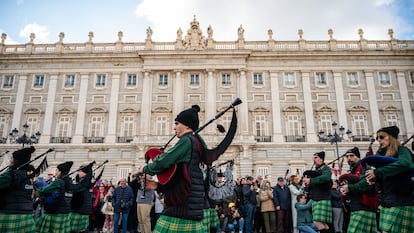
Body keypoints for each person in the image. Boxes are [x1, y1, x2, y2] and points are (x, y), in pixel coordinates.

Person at [136, 105, 213, 232]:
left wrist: (146, 168)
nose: (174, 127)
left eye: (177, 123)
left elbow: (164, 161)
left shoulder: (187, 141)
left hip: (181, 207)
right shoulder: (198, 142)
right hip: (192, 205)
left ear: (187, 125)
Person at [365, 126, 414, 233]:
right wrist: (376, 179)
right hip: (387, 202)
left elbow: (405, 164)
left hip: (401, 201)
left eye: (382, 137)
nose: (379, 140)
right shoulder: (382, 155)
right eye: (377, 138)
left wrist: (377, 172)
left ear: (391, 137)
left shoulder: (402, 150)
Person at [340, 147, 378, 233]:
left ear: (358, 157)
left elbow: (366, 184)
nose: (349, 158)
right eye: (347, 156)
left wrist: (349, 188)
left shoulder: (364, 167)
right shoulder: (353, 169)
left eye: (351, 155)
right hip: (358, 206)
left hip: (363, 207)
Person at [0, 146, 36, 232]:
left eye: (12, 158)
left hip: (10, 213)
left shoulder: (11, 175)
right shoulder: (29, 178)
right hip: (27, 217)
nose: (11, 160)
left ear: (16, 161)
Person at [36, 161, 74, 233]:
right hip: (66, 212)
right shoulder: (69, 182)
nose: (56, 172)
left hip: (55, 211)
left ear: (60, 172)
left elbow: (44, 190)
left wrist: (38, 192)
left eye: (57, 170)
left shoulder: (58, 182)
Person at [302, 151, 332, 232]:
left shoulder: (326, 168)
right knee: (323, 224)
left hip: (322, 198)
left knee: (317, 222)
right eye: (313, 158)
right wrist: (308, 185)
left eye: (315, 158)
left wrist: (311, 180)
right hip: (317, 198)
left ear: (321, 159)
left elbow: (326, 178)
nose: (313, 159)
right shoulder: (317, 170)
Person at [69, 162, 94, 233]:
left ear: (85, 173)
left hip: (79, 209)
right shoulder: (85, 182)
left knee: (75, 230)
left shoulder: (84, 182)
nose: (78, 173)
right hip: (83, 209)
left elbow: (75, 189)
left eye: (80, 171)